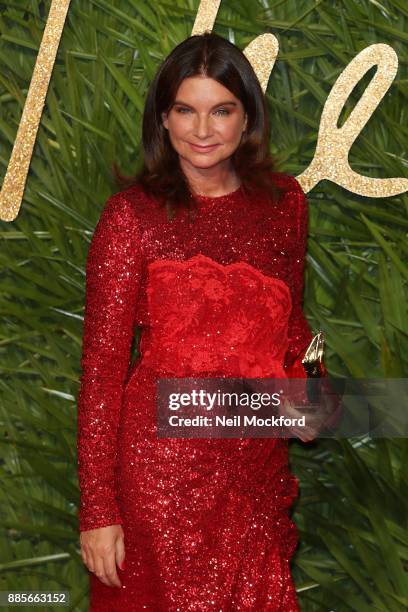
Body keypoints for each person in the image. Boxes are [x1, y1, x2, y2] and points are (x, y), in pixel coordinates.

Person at [77, 31, 325, 611]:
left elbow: (291, 330)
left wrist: (312, 392)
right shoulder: (131, 217)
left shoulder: (283, 205)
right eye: (186, 110)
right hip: (158, 485)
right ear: (163, 119)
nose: (203, 130)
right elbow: (103, 373)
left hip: (254, 483)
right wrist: (98, 511)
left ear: (247, 119)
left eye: (222, 110)